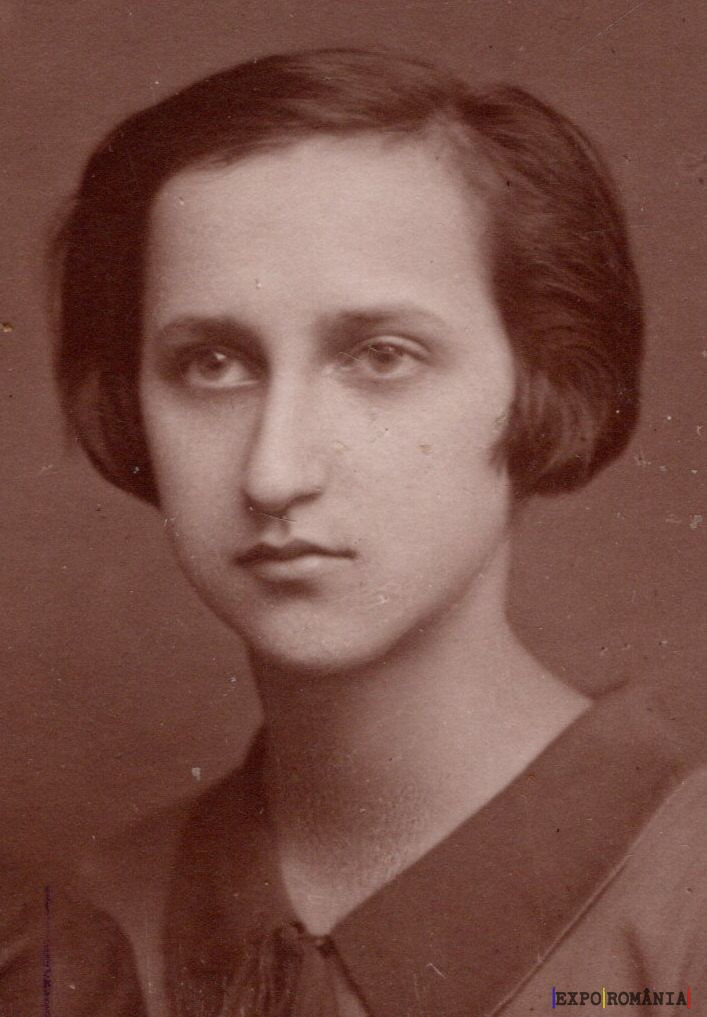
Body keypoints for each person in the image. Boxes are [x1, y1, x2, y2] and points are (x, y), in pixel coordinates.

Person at [53, 48, 705, 1016]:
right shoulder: (87, 923)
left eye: (381, 356)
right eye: (212, 363)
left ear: (544, 381)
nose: (274, 471)